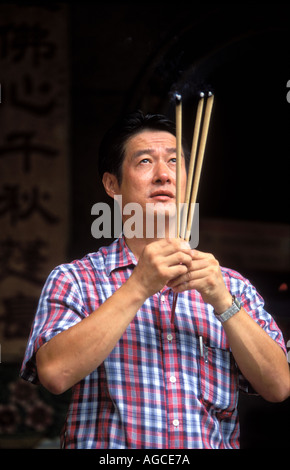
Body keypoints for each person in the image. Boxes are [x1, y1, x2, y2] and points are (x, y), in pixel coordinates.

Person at [20, 111, 289, 449]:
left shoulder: (231, 286)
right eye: (145, 161)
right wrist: (138, 286)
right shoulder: (75, 279)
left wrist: (223, 303)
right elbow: (54, 374)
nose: (164, 175)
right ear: (112, 184)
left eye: (175, 162)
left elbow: (278, 386)